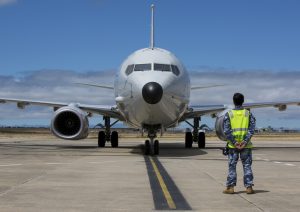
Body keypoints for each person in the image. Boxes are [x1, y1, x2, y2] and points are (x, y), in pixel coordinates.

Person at [223, 93, 256, 194]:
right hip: (246, 146)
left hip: (233, 146)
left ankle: (230, 188)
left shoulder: (229, 114)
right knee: (247, 165)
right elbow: (251, 129)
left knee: (232, 166)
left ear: (233, 101)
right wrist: (245, 142)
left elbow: (226, 131)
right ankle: (249, 187)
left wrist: (235, 142)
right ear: (243, 101)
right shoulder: (248, 114)